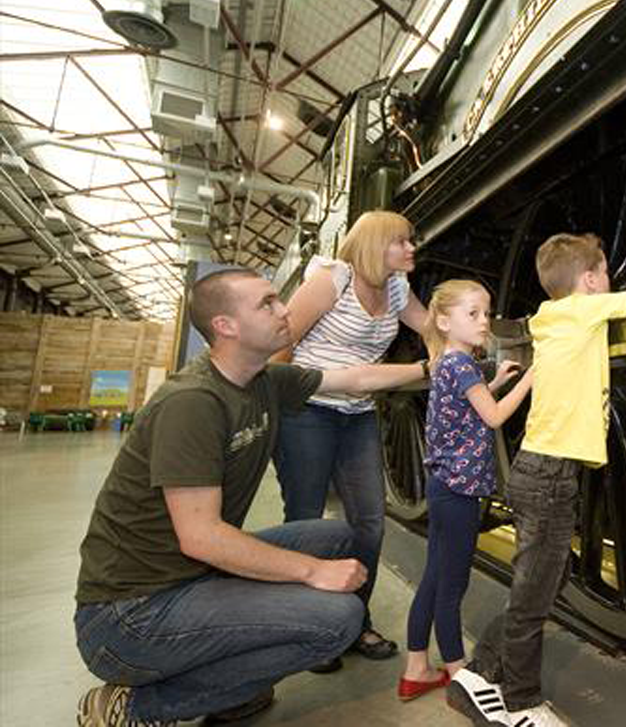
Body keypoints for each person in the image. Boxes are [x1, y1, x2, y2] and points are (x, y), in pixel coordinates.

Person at [74, 268, 427, 726]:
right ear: (226, 326)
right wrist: (311, 571)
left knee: (341, 536)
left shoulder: (263, 381)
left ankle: (221, 691)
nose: (285, 310)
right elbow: (201, 538)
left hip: (192, 579)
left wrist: (433, 368)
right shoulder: (193, 402)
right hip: (130, 614)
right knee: (338, 619)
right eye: (267, 303)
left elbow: (355, 380)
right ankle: (137, 706)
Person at [447, 235, 626, 727]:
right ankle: (520, 704)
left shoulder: (551, 318)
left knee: (539, 588)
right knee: (534, 599)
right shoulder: (581, 312)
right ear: (592, 280)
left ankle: (477, 675)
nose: (608, 284)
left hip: (543, 472)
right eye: (603, 275)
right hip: (549, 475)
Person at [272, 210, 429, 665]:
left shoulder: (398, 288)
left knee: (369, 521)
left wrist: (470, 335)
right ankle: (310, 629)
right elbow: (284, 343)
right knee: (304, 519)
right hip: (308, 410)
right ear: (376, 244)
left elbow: (431, 327)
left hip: (357, 413)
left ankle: (353, 622)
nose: (411, 248)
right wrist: (278, 404)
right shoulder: (332, 279)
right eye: (402, 241)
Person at [400, 279, 534, 702]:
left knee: (433, 578)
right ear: (443, 320)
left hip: (444, 486)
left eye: (486, 312)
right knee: (452, 587)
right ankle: (460, 674)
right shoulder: (463, 366)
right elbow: (492, 419)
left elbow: (469, 407)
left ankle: (416, 668)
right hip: (459, 493)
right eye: (472, 314)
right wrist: (531, 378)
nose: (484, 322)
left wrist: (495, 382)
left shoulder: (446, 362)